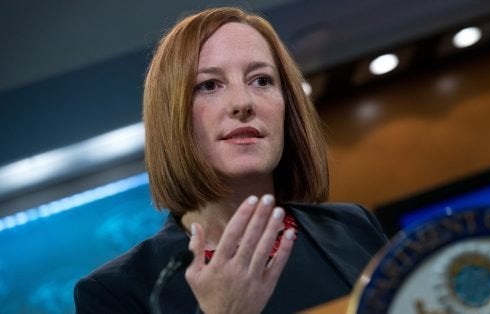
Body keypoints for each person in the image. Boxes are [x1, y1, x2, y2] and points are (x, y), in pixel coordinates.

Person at [74, 6, 388, 314]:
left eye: (261, 80)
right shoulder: (112, 293)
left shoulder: (352, 225)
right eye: (209, 85)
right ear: (173, 119)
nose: (242, 103)